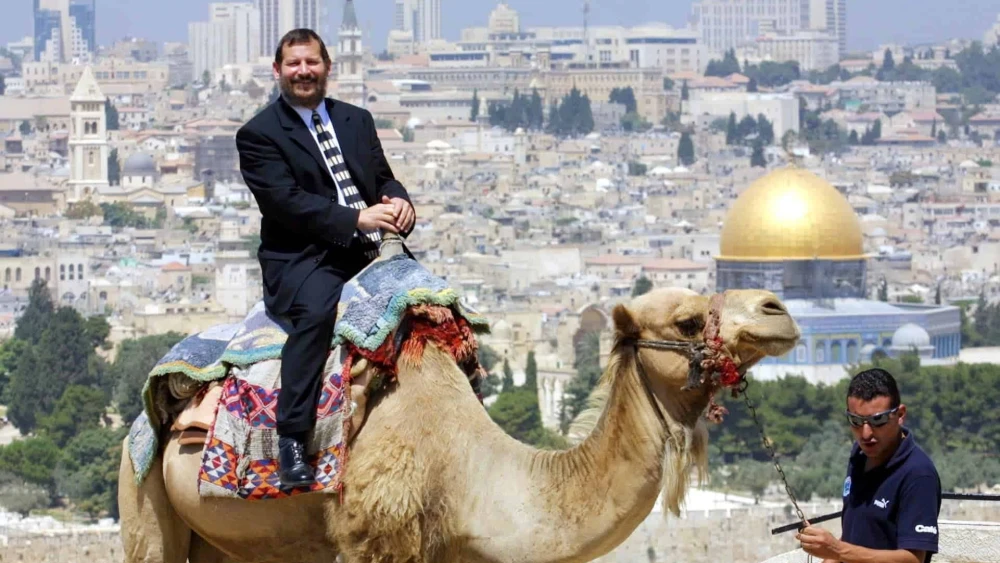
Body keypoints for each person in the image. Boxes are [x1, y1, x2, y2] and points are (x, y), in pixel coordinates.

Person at [236, 28, 415, 487]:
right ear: (277, 71)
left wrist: (399, 201)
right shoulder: (258, 134)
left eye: (311, 62)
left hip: (368, 248)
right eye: (293, 64)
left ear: (327, 67)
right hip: (305, 257)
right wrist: (356, 219)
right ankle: (292, 440)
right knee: (316, 316)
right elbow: (286, 203)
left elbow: (381, 177)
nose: (303, 71)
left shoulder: (357, 120)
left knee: (436, 306)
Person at [796, 368, 942, 563]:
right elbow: (854, 536)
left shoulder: (918, 474)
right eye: (856, 421)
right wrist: (832, 555)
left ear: (900, 414)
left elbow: (913, 559)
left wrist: (837, 550)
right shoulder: (859, 455)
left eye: (878, 420)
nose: (865, 433)